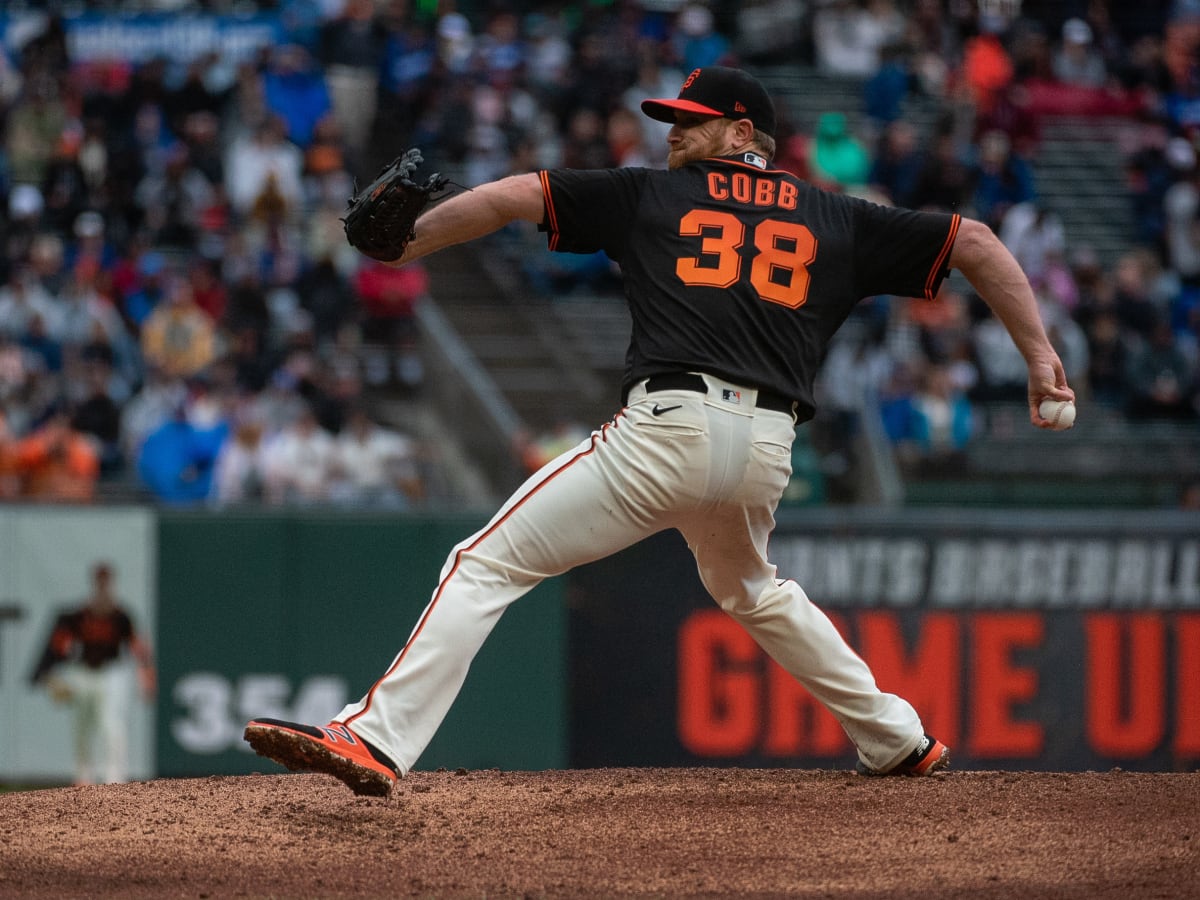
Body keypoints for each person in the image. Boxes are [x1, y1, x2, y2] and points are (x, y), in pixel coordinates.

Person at [244, 66, 1075, 796]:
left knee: (484, 562)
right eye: (672, 120)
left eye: (690, 120)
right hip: (766, 450)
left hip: (667, 430)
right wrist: (1039, 357)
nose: (674, 132)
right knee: (750, 588)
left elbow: (512, 197)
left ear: (741, 130)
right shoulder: (837, 217)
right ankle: (896, 736)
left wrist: (410, 242)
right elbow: (975, 241)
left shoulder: (650, 193)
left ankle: (377, 737)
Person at [29, 562, 156, 785]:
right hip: (82, 674)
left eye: (106, 579)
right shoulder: (77, 615)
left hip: (111, 674)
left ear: (111, 583)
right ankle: (83, 780)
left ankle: (114, 780)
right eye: (100, 579)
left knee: (111, 725)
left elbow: (139, 650)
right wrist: (44, 673)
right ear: (94, 582)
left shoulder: (121, 616)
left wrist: (147, 678)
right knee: (81, 728)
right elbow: (56, 646)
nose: (103, 583)